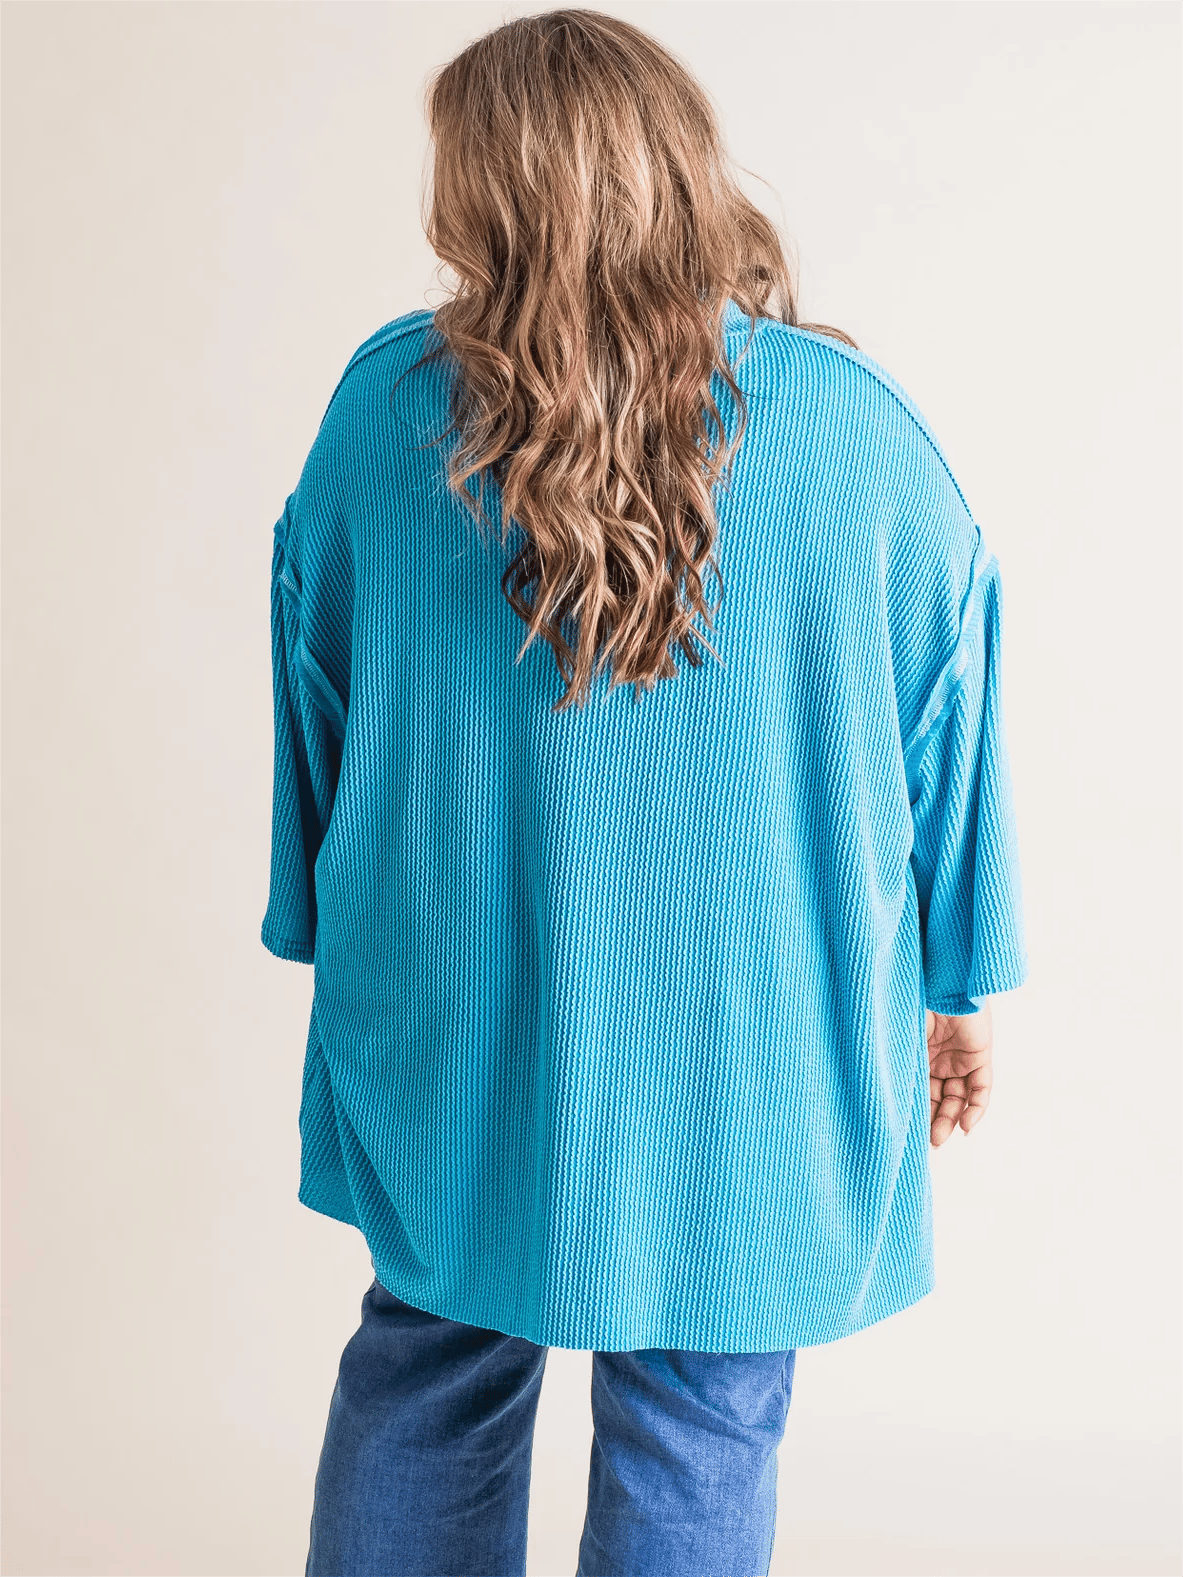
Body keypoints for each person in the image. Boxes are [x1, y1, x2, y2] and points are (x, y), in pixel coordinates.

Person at [259, 10, 1029, 1575]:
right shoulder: (857, 430)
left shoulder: (381, 417)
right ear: (681, 167)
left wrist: (322, 933)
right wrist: (952, 978)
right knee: (702, 1408)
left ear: (475, 193)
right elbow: (949, 724)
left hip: (462, 1007)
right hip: (755, 1026)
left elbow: (315, 694)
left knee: (431, 1363)